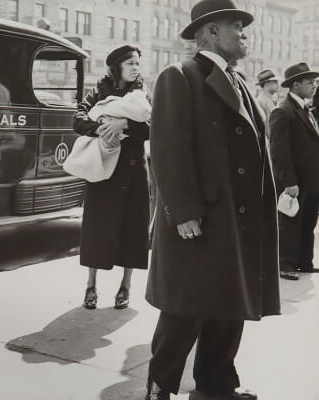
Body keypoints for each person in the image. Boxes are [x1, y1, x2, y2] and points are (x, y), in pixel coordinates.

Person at [145, 1, 280, 399]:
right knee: (185, 310)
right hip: (201, 217)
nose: (244, 33)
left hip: (237, 219)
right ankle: (159, 387)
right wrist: (183, 211)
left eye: (243, 26)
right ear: (210, 32)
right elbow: (169, 150)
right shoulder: (180, 77)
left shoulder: (239, 82)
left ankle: (216, 386)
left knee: (228, 306)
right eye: (236, 26)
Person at [73, 45, 150, 310]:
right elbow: (78, 120)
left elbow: (154, 126)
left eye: (137, 64)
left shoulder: (141, 94)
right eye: (130, 63)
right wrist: (102, 128)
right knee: (97, 227)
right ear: (115, 67)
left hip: (132, 170)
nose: (136, 68)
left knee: (132, 227)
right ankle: (91, 285)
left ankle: (125, 286)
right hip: (103, 170)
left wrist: (124, 124)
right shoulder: (97, 93)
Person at [268, 62, 319, 281]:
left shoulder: (305, 109)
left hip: (310, 180)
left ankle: (304, 261)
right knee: (290, 221)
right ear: (295, 85)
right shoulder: (284, 111)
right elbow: (279, 151)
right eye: (309, 83)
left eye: (315, 83)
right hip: (295, 181)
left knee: (308, 220)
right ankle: (286, 264)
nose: (314, 86)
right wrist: (289, 182)